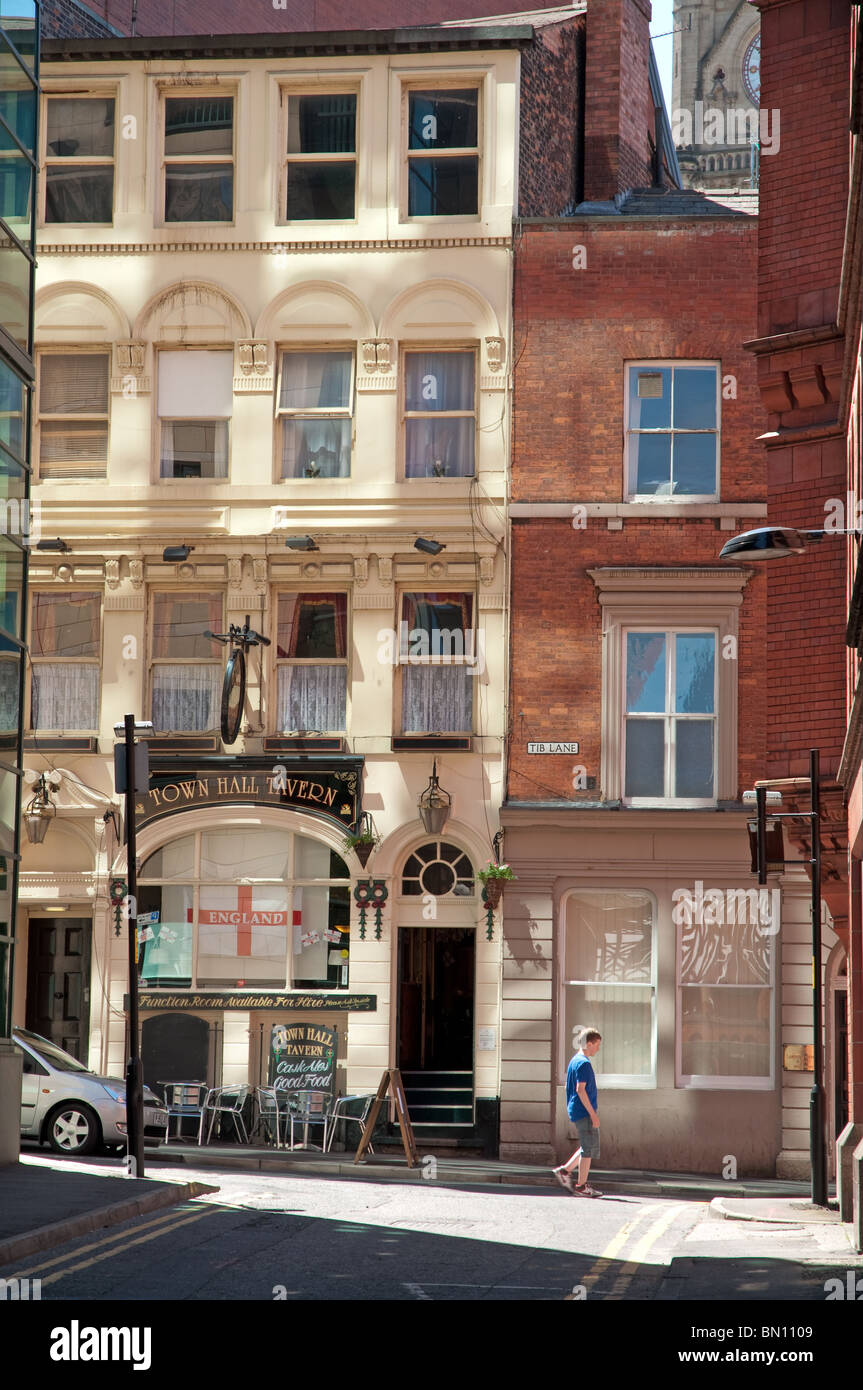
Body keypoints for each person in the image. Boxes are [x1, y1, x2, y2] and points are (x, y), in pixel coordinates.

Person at [552, 1029, 602, 1197]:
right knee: (588, 1149)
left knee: (586, 1145)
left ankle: (565, 1171)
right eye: (597, 1045)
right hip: (584, 1111)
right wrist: (593, 1115)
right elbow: (581, 1090)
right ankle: (581, 1187)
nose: (598, 1049)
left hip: (577, 1109)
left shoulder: (575, 1060)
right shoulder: (584, 1063)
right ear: (589, 1044)